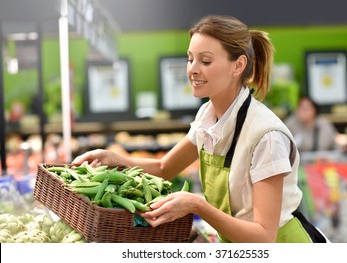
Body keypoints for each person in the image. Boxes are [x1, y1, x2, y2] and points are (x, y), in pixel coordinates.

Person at [73, 15, 326, 243]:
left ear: (238, 65)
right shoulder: (207, 116)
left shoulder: (265, 136)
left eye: (205, 61)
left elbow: (263, 236)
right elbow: (165, 168)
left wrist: (197, 205)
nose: (193, 69)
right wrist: (116, 159)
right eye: (190, 59)